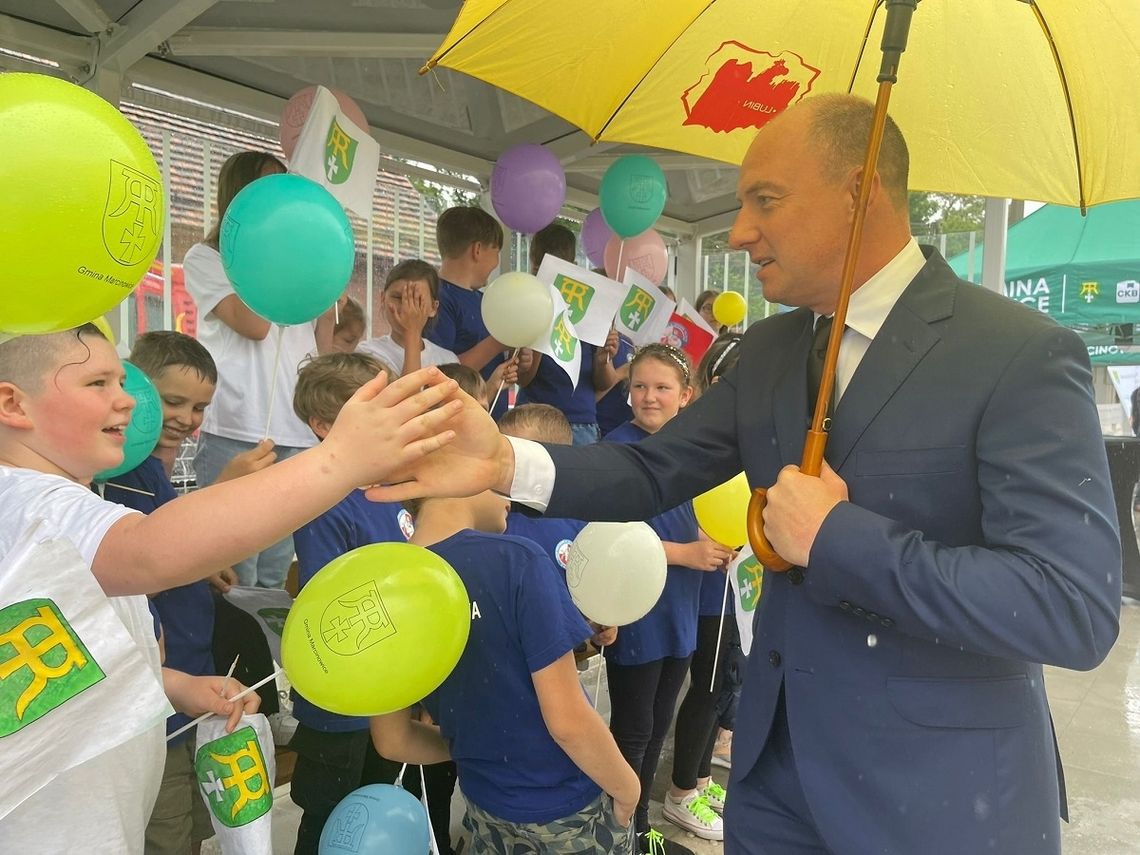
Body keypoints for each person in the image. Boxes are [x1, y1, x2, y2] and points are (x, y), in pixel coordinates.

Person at [369, 93, 1123, 855]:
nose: (740, 232)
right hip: (773, 791)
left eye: (767, 199)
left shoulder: (1016, 354)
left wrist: (837, 537)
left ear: (859, 193)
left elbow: (1069, 604)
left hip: (941, 799)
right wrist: (504, 461)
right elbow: (651, 469)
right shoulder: (767, 352)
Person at [0, 325, 459, 852]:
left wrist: (170, 683)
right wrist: (341, 460)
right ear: (14, 403)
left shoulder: (49, 513)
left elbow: (63, 655)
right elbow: (151, 550)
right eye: (98, 383)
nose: (127, 398)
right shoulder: (26, 502)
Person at [369, 488, 639, 855]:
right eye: (501, 481)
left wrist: (474, 747)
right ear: (458, 475)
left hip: (484, 805)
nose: (513, 497)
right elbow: (567, 722)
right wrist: (627, 788)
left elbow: (392, 740)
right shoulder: (517, 560)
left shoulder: (386, 586)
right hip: (567, 807)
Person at [103, 331, 275, 855]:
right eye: (172, 401)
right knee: (168, 830)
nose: (186, 418)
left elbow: (168, 552)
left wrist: (201, 569)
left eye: (199, 407)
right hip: (159, 710)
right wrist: (223, 493)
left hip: (192, 692)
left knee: (195, 826)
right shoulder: (120, 476)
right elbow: (146, 559)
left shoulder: (149, 473)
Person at [288, 352, 456, 854]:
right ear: (323, 426)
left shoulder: (394, 489)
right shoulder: (320, 501)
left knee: (398, 810)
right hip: (342, 711)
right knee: (333, 821)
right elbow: (329, 600)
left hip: (400, 697)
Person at [183, 149, 342, 589]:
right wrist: (279, 262)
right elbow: (253, 326)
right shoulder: (207, 257)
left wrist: (323, 297)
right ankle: (223, 654)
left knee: (274, 568)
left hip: (294, 426)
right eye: (264, 189)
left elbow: (319, 349)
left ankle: (262, 656)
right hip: (236, 422)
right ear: (238, 197)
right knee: (229, 561)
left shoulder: (299, 264)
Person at [603, 344, 733, 849]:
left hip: (681, 606)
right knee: (632, 729)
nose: (648, 397)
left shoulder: (691, 450)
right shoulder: (618, 450)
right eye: (638, 386)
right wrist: (686, 554)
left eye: (661, 388)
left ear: (686, 396)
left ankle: (637, 824)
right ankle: (622, 827)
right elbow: (610, 535)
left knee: (658, 725)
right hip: (638, 609)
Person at [665, 334, 746, 834]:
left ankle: (696, 776)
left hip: (741, 575)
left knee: (727, 678)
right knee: (709, 681)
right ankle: (679, 792)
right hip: (704, 579)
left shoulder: (752, 432)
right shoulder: (696, 438)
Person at [517, 224, 618, 446]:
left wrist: (603, 359)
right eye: (540, 271)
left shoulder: (590, 306)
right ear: (533, 269)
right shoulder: (526, 305)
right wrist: (539, 336)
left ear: (574, 267)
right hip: (534, 419)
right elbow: (523, 378)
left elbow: (603, 383)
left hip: (580, 422)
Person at [426, 206, 518, 419]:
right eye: (496, 252)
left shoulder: (485, 300)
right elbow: (441, 371)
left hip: (494, 417)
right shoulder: (438, 299)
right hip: (459, 420)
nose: (496, 263)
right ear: (477, 249)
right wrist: (497, 343)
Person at [357, 260, 458, 375]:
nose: (406, 308)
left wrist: (412, 331)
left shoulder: (448, 360)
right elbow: (408, 392)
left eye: (417, 300)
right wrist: (412, 332)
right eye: (397, 297)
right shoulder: (367, 353)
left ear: (433, 308)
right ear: (383, 299)